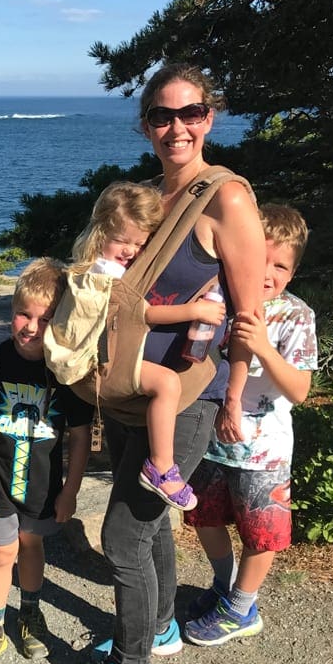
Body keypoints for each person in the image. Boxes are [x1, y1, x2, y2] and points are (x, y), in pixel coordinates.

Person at [96, 62, 266, 664]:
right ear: (146, 125)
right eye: (163, 116)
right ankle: (162, 627)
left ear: (209, 118)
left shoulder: (226, 197)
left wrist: (236, 395)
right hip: (128, 387)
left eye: (190, 113)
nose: (177, 127)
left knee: (122, 535)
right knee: (152, 528)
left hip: (188, 395)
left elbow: (248, 313)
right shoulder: (147, 196)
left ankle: (133, 656)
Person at [182, 203, 317, 646]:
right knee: (204, 518)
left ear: (292, 273)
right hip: (212, 440)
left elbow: (299, 390)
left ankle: (241, 609)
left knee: (261, 534)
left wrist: (264, 347)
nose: (267, 273)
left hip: (265, 450)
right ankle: (226, 588)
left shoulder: (297, 315)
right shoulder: (218, 301)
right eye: (261, 259)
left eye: (281, 265)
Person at [0, 257, 94, 664]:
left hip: (43, 485)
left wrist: (70, 491)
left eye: (45, 318)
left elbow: (80, 434)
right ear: (11, 311)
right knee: (1, 553)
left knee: (31, 545)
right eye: (23, 314)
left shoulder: (66, 373)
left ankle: (30, 612)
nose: (31, 327)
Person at [65, 181, 226, 510]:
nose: (130, 250)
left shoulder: (94, 266)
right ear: (100, 234)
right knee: (167, 383)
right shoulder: (104, 271)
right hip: (102, 360)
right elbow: (143, 313)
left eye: (139, 243)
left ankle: (160, 465)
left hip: (100, 357)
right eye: (122, 240)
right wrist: (195, 310)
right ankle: (162, 466)